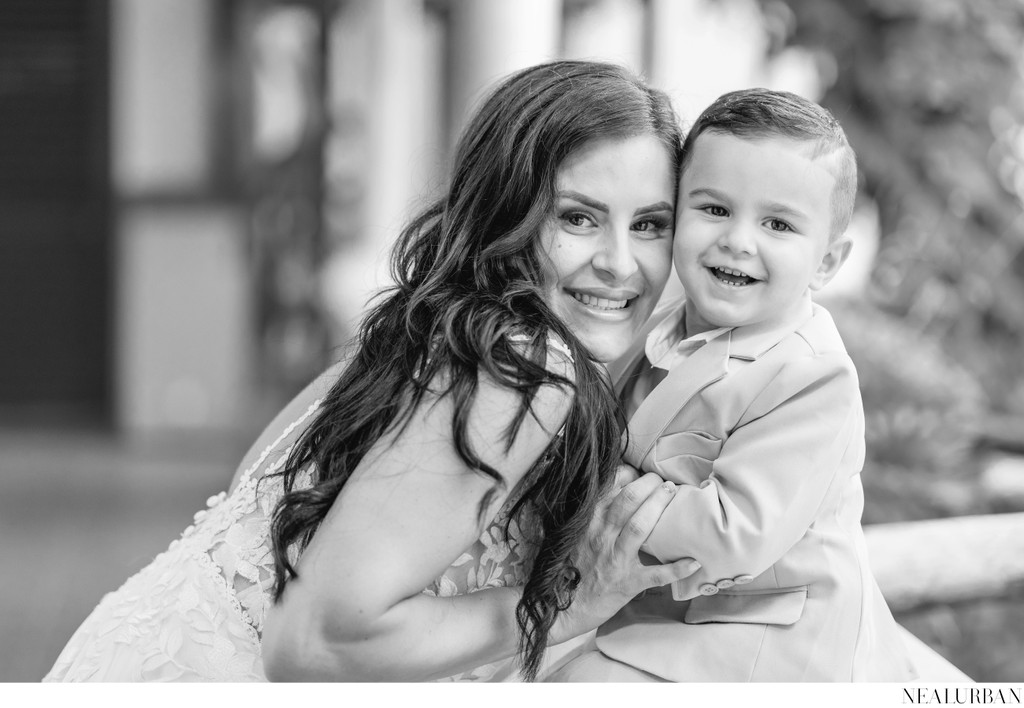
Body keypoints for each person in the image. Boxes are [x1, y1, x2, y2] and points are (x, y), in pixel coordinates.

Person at [43, 60, 702, 683]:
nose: (621, 262)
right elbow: (313, 642)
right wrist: (569, 603)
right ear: (506, 213)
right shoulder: (524, 365)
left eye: (649, 224)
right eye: (578, 217)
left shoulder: (429, 327)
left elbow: (257, 493)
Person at [547, 89, 918, 682]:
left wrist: (598, 482)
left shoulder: (811, 375)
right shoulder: (661, 327)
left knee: (577, 685)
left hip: (763, 641)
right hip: (663, 615)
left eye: (777, 223)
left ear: (826, 262)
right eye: (714, 210)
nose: (739, 240)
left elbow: (732, 530)